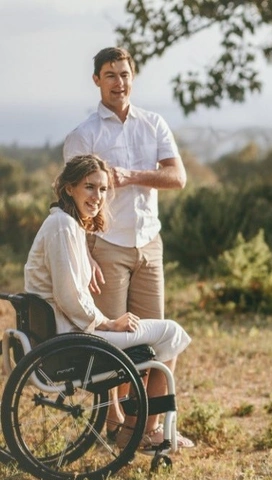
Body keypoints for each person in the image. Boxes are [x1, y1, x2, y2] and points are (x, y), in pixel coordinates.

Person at [24, 154, 193, 451]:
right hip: (71, 339)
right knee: (172, 333)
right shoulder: (63, 226)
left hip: (66, 332)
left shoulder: (66, 224)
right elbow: (70, 297)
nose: (98, 196)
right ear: (69, 188)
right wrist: (110, 323)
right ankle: (144, 430)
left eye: (103, 190)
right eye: (90, 187)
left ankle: (135, 427)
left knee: (163, 334)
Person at [63, 46, 187, 435]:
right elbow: (70, 202)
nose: (120, 82)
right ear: (97, 80)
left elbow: (177, 178)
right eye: (111, 75)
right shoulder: (83, 135)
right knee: (113, 341)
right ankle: (113, 424)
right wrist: (86, 254)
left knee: (153, 343)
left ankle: (145, 427)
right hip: (106, 245)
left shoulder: (153, 124)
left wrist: (131, 175)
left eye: (125, 74)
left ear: (133, 77)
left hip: (150, 245)